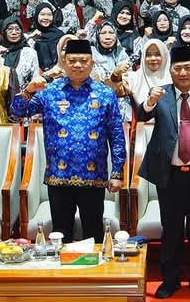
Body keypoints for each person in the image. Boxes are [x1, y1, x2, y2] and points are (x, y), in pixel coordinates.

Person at [134, 43, 190, 299]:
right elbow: (141, 114)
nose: (183, 73)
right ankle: (170, 279)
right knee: (171, 229)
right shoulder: (160, 95)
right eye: (178, 68)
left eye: (188, 68)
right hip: (170, 176)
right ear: (170, 71)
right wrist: (150, 102)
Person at [10, 38, 126, 243]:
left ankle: (93, 274)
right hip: (59, 176)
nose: (78, 65)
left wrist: (117, 173)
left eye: (83, 60)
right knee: (60, 235)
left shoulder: (106, 94)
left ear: (92, 63)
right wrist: (29, 90)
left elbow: (116, 135)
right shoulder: (49, 92)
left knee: (94, 235)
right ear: (63, 62)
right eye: (72, 60)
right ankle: (63, 275)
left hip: (94, 177)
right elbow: (17, 111)